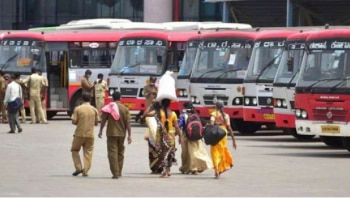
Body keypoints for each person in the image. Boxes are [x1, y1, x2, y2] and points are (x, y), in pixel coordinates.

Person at [98, 91, 132, 179]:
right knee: (120, 153)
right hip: (122, 134)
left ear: (112, 98)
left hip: (111, 133)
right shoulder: (125, 108)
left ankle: (115, 173)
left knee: (112, 153)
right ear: (120, 98)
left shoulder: (109, 108)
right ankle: (119, 171)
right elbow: (128, 123)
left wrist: (100, 130)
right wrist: (129, 135)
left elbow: (103, 120)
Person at [178, 102, 213, 175]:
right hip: (197, 136)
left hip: (187, 136)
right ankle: (201, 165)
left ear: (185, 108)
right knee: (199, 151)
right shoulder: (195, 115)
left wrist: (179, 136)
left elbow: (179, 125)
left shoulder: (183, 115)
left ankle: (190, 168)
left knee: (188, 153)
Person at [70, 92, 98, 177]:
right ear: (90, 99)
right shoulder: (94, 109)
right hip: (90, 135)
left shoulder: (78, 109)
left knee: (74, 150)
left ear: (81, 99)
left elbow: (74, 121)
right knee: (88, 152)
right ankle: (85, 171)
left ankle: (78, 168)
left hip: (79, 134)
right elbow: (96, 123)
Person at [209, 100, 237, 179]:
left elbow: (211, 124)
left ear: (216, 107)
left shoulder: (214, 114)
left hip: (216, 133)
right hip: (223, 134)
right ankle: (226, 164)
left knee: (214, 152)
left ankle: (217, 170)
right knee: (222, 150)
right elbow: (229, 128)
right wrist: (234, 140)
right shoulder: (226, 116)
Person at [155, 98, 181, 178]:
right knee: (170, 153)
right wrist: (180, 136)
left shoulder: (160, 113)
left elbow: (148, 114)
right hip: (171, 136)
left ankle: (165, 172)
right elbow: (176, 126)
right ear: (169, 104)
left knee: (163, 154)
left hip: (162, 136)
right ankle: (168, 170)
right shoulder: (173, 114)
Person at [142, 100, 163, 174]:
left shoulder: (154, 113)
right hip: (162, 136)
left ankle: (154, 168)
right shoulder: (165, 113)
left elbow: (145, 114)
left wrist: (150, 105)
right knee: (161, 152)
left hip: (153, 136)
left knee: (153, 153)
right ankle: (160, 167)